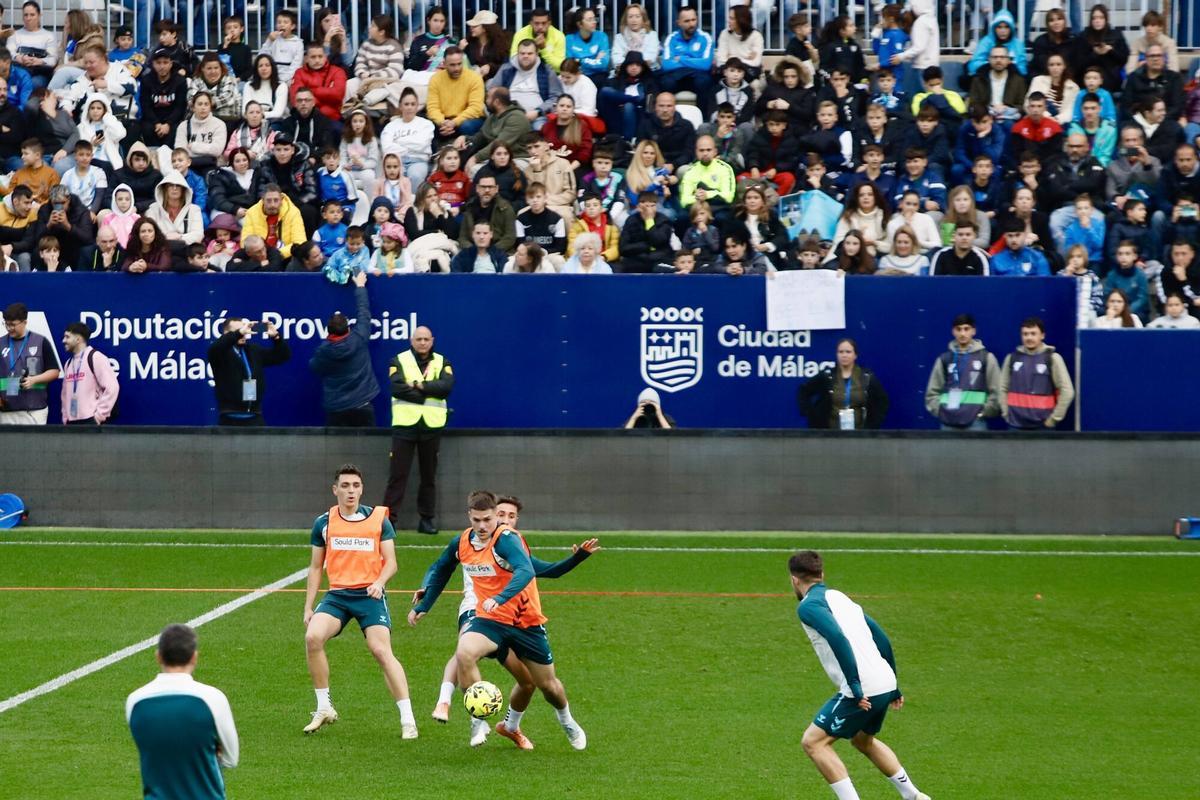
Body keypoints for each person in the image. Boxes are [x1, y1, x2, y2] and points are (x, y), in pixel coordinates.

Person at [408, 490, 588, 751]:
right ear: (469, 515)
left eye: (488, 520)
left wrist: (577, 558)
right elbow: (441, 569)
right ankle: (478, 718)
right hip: (490, 619)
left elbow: (528, 570)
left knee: (547, 686)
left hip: (526, 623)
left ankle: (567, 721)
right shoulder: (461, 543)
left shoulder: (506, 541)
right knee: (464, 652)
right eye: (477, 520)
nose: (483, 526)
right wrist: (424, 605)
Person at [789, 550, 931, 800]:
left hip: (863, 686)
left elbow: (836, 637)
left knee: (814, 743)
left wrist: (855, 686)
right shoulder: (839, 597)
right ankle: (914, 795)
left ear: (794, 579)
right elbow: (880, 636)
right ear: (822, 574)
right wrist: (894, 684)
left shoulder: (808, 607)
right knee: (863, 740)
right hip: (884, 681)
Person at [302, 464, 418, 740]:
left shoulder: (378, 519)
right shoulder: (324, 522)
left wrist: (379, 583)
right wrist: (308, 605)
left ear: (362, 489)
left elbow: (391, 562)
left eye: (355, 485)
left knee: (380, 650)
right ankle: (324, 707)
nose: (351, 491)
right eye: (345, 486)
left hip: (369, 596)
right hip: (338, 595)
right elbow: (316, 567)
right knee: (313, 637)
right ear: (335, 490)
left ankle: (408, 718)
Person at [126, 624, 239, 800]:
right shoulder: (212, 698)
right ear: (194, 657)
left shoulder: (135, 701)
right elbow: (231, 758)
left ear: (158, 657)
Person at [384, 326, 453, 534]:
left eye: (426, 339)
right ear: (411, 340)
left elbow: (446, 387)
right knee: (397, 475)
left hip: (432, 426)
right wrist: (427, 394)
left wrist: (418, 386)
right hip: (404, 425)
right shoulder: (398, 360)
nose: (422, 342)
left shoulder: (443, 361)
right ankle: (389, 522)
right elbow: (397, 387)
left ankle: (426, 520)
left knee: (428, 476)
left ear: (432, 340)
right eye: (418, 339)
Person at [308, 272, 379, 427]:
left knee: (334, 451)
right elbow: (364, 312)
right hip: (362, 405)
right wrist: (360, 287)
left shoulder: (324, 351)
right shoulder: (359, 337)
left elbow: (314, 367)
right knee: (368, 450)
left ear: (328, 331)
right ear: (348, 328)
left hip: (336, 409)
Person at [206, 317, 291, 426]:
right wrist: (239, 333)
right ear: (226, 333)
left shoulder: (253, 351)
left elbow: (283, 356)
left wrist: (276, 337)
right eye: (239, 330)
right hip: (229, 418)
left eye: (245, 330)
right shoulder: (220, 353)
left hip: (255, 417)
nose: (244, 333)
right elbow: (215, 348)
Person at [924, 314, 1000, 431]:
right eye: (958, 329)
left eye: (966, 329)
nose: (962, 333)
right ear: (953, 332)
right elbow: (932, 392)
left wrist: (984, 412)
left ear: (973, 331)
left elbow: (996, 391)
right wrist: (941, 411)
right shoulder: (944, 359)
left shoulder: (986, 357)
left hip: (976, 422)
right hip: (948, 422)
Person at [998, 317, 1075, 430]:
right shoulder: (1011, 358)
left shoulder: (1052, 358)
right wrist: (1006, 413)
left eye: (1033, 334)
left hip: (1043, 427)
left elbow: (1067, 391)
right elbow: (1002, 388)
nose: (1029, 338)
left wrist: (1053, 419)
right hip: (1015, 425)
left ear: (1042, 335)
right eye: (1025, 334)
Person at [798, 339, 889, 430]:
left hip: (860, 433)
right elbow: (803, 390)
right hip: (830, 433)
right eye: (840, 352)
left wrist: (873, 424)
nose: (844, 355)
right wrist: (811, 415)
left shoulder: (867, 377)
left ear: (855, 355)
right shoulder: (827, 376)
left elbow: (882, 401)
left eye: (848, 352)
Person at [0, 301, 60, 424]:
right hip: (6, 410)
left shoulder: (41, 341)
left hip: (34, 410)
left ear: (24, 322)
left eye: (13, 324)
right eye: (6, 324)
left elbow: (54, 371)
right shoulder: (1, 343)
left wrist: (34, 380)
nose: (9, 328)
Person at [59, 321, 118, 425]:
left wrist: (98, 417)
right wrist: (65, 417)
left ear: (78, 339)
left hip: (90, 421)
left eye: (67, 337)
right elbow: (65, 394)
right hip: (71, 422)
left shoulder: (95, 357)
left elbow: (112, 388)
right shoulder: (68, 363)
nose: (64, 341)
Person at [658, 9, 715, 118]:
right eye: (687, 21)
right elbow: (666, 65)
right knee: (665, 82)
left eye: (694, 20)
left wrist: (681, 59)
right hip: (676, 75)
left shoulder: (705, 37)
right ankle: (667, 121)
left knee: (705, 81)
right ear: (678, 22)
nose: (691, 24)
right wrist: (695, 61)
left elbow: (706, 64)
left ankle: (702, 121)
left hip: (697, 75)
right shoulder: (672, 38)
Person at [428, 47, 485, 144]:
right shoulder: (435, 79)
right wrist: (442, 122)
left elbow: (476, 108)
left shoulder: (475, 78)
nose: (457, 68)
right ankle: (433, 157)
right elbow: (432, 107)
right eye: (452, 65)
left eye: (459, 64)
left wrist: (454, 122)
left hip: (467, 119)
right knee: (427, 126)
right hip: (444, 121)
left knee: (466, 126)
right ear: (444, 64)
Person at [509, 8, 566, 72]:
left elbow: (560, 67)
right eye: (536, 23)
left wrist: (543, 50)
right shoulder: (521, 34)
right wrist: (533, 47)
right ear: (531, 23)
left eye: (544, 23)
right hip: (525, 73)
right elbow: (513, 60)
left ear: (549, 23)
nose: (540, 27)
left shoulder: (558, 36)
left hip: (550, 75)